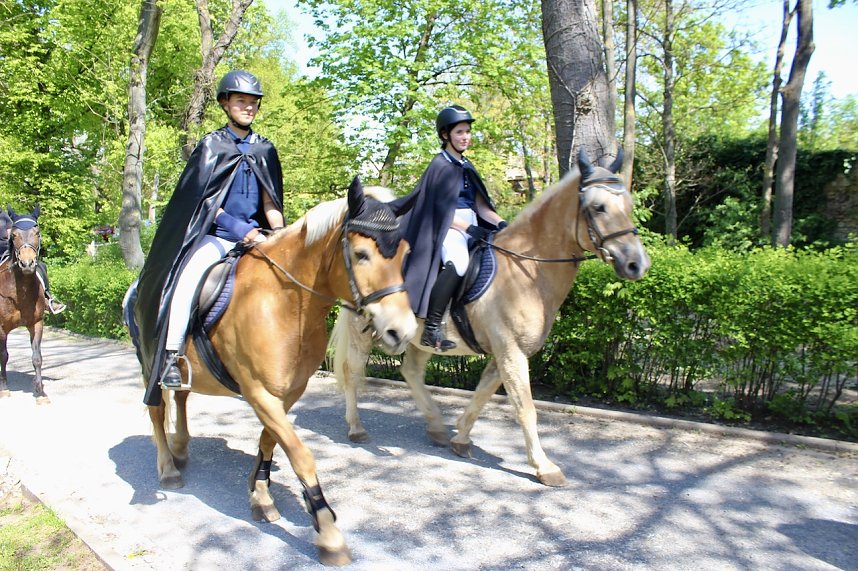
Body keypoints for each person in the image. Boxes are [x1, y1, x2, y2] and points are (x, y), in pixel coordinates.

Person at [134, 70, 284, 400]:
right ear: (225, 103)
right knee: (186, 281)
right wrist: (240, 229)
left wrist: (280, 234)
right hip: (215, 237)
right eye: (241, 101)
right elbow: (204, 204)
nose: (248, 107)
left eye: (253, 103)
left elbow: (270, 201)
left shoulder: (265, 149)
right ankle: (173, 357)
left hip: (258, 237)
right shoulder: (211, 146)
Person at [390, 105, 506, 352]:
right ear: (446, 136)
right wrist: (468, 229)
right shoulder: (439, 165)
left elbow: (481, 207)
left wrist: (502, 224)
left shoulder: (466, 166)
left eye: (467, 132)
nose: (465, 137)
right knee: (459, 262)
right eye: (460, 132)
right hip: (446, 228)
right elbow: (440, 211)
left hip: (471, 223)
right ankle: (432, 328)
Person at [0, 210, 66, 315]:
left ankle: (48, 298)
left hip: (7, 251)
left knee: (41, 266)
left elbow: (11, 235)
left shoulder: (4, 217)